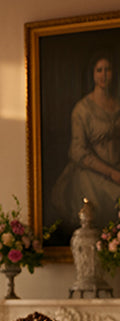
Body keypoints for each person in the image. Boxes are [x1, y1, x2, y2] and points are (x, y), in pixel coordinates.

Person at [51, 53, 120, 235]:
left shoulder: (118, 105)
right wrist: (111, 173)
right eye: (99, 70)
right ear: (92, 74)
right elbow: (77, 151)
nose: (104, 75)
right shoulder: (82, 109)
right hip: (92, 175)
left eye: (108, 70)